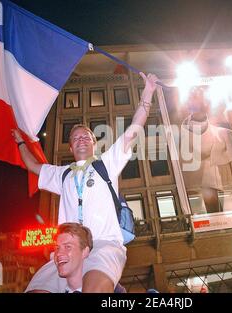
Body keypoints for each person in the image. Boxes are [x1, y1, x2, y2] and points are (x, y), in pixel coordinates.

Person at [14, 72, 159, 293]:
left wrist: (147, 93)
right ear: (70, 148)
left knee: (94, 288)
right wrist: (20, 142)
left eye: (86, 137)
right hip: (67, 248)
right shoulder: (62, 174)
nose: (81, 139)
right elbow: (32, 166)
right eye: (75, 138)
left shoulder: (107, 163)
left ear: (94, 143)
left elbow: (133, 130)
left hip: (103, 244)